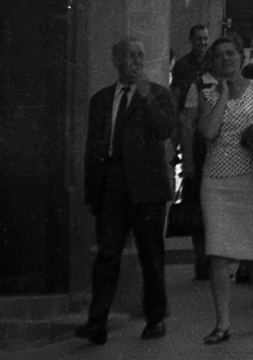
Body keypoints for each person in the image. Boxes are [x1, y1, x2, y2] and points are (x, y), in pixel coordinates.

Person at [75, 39, 177, 345]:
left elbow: (163, 131)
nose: (135, 62)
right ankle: (96, 323)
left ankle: (156, 318)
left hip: (146, 188)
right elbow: (93, 149)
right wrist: (93, 192)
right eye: (129, 56)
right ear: (115, 60)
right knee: (107, 255)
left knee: (150, 255)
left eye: (140, 57)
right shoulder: (101, 100)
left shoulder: (158, 94)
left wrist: (145, 96)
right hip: (112, 186)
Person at [191, 35, 253, 342]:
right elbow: (208, 132)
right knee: (218, 250)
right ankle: (223, 322)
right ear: (212, 63)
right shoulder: (207, 94)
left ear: (242, 58)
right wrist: (224, 94)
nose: (226, 59)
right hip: (217, 181)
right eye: (219, 56)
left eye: (231, 53)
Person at [172, 24, 212, 109]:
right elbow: (176, 94)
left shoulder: (214, 62)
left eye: (205, 38)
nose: (202, 42)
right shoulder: (181, 65)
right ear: (191, 40)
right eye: (198, 39)